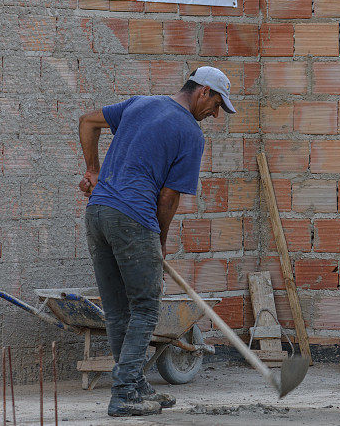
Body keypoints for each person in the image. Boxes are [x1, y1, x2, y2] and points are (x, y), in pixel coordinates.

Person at [77, 66, 236, 417]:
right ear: (203, 92)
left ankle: (134, 384)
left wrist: (94, 172)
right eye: (217, 105)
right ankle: (123, 394)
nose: (215, 114)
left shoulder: (140, 103)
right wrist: (159, 241)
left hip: (98, 214)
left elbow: (87, 122)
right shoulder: (190, 134)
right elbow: (167, 199)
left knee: (119, 310)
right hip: (134, 219)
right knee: (147, 309)